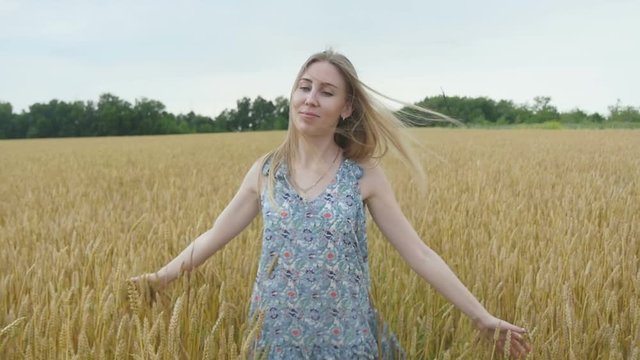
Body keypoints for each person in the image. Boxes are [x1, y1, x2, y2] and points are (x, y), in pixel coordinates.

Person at [131, 49, 532, 359]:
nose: (310, 99)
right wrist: (159, 278)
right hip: (275, 339)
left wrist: (481, 316)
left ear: (346, 108)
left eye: (326, 92)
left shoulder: (364, 177)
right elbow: (213, 235)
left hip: (347, 338)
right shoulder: (265, 172)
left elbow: (420, 254)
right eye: (304, 87)